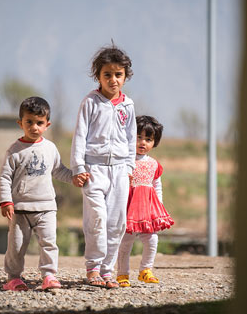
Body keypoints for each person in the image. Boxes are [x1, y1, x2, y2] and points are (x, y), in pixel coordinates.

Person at [0, 96, 88, 291]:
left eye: (39, 123)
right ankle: (13, 278)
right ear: (20, 123)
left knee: (49, 242)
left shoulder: (50, 148)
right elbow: (5, 177)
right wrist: (6, 201)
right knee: (16, 246)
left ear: (47, 124)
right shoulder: (14, 151)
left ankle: (49, 275)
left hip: (46, 207)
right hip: (20, 209)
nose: (34, 127)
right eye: (29, 122)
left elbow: (59, 171)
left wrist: (74, 177)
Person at [70, 44, 137, 288]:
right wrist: (78, 167)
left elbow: (131, 140)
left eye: (118, 74)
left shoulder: (128, 105)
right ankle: (93, 268)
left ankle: (108, 271)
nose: (113, 79)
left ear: (125, 76)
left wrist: (129, 168)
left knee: (117, 222)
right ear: (98, 76)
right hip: (94, 170)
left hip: (120, 171)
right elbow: (79, 135)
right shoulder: (90, 102)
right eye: (107, 74)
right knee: (96, 219)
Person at [116, 115, 174, 287]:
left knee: (152, 240)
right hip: (127, 208)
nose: (142, 142)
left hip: (147, 210)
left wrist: (158, 207)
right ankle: (122, 274)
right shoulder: (124, 161)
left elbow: (157, 185)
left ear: (154, 142)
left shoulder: (154, 164)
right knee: (126, 243)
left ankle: (145, 270)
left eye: (148, 139)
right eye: (138, 137)